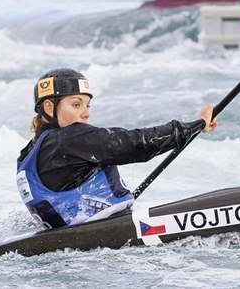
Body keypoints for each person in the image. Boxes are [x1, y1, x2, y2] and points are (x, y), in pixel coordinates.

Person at [16, 68, 217, 229]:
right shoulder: (68, 139)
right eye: (76, 105)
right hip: (100, 236)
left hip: (78, 239)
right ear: (50, 108)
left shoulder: (28, 154)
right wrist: (195, 125)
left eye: (88, 105)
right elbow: (136, 143)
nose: (86, 113)